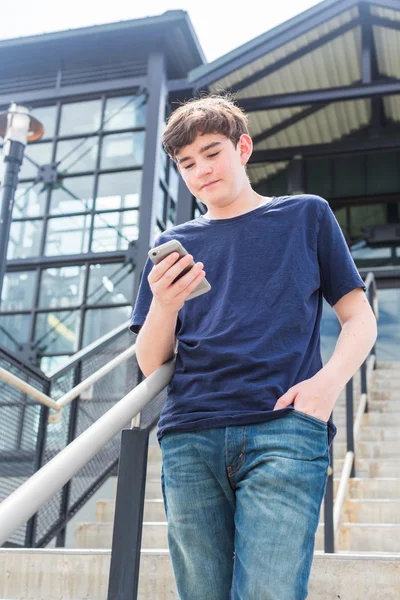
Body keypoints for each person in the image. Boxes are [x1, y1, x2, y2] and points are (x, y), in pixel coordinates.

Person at [129, 94, 377, 600]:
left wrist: (325, 387)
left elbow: (359, 318)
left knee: (270, 592)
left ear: (243, 148)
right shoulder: (174, 243)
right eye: (187, 163)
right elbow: (151, 361)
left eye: (212, 152)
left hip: (284, 429)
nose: (201, 170)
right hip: (190, 435)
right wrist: (164, 304)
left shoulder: (305, 215)